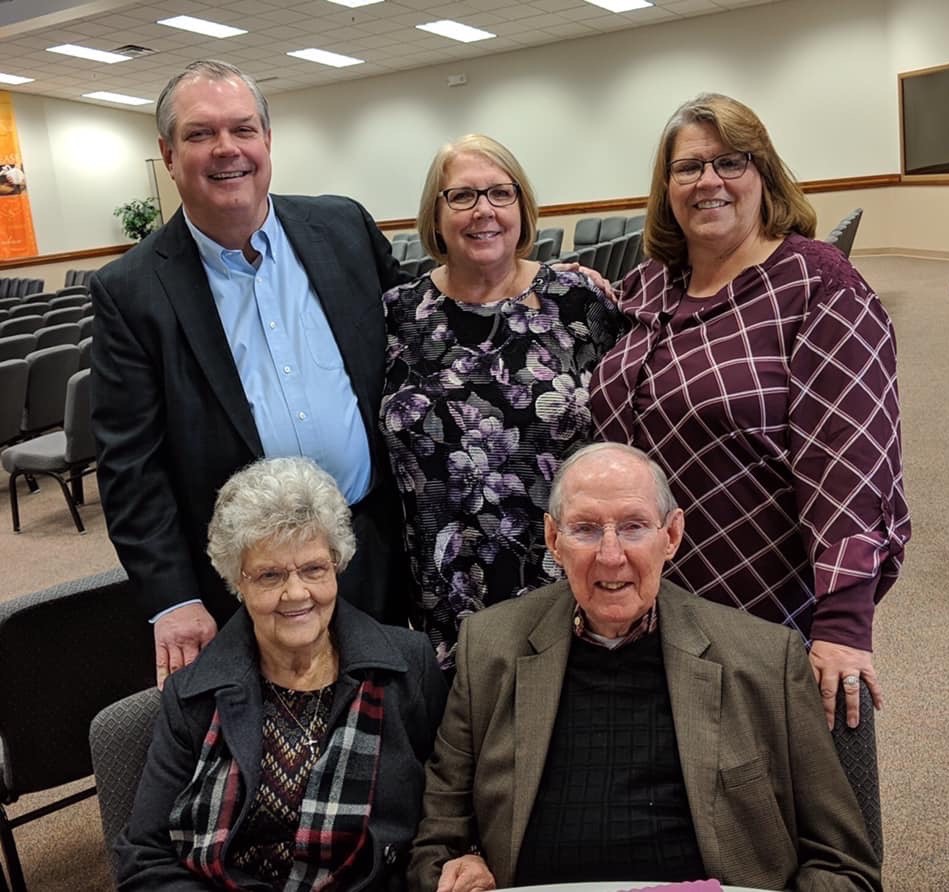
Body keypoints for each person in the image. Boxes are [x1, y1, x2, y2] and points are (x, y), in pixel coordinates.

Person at [407, 443, 881, 892]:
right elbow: (435, 844)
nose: (611, 556)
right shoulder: (489, 648)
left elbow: (844, 865)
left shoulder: (764, 659)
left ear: (671, 535)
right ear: (554, 539)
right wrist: (458, 863)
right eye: (586, 529)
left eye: (633, 527)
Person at [590, 93, 910, 736]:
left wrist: (844, 624)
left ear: (763, 173)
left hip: (762, 603)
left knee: (761, 806)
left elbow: (850, 460)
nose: (708, 181)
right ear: (667, 186)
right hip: (644, 598)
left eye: (729, 161)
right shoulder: (653, 282)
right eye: (687, 168)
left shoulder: (819, 286)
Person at [91, 60, 408, 689]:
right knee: (276, 747)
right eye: (201, 134)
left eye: (242, 128)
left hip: (371, 540)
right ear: (169, 153)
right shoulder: (131, 290)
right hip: (248, 576)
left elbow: (423, 328)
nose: (227, 149)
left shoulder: (343, 227)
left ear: (268, 140)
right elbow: (130, 465)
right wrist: (172, 596)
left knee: (399, 717)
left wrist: (531, 287)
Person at [117, 457, 448, 890]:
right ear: (238, 581)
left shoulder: (408, 665)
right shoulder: (194, 695)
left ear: (337, 564)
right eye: (270, 575)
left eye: (313, 569)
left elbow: (448, 812)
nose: (296, 593)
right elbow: (145, 856)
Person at [380, 134, 621, 673]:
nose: (483, 211)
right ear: (435, 215)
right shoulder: (395, 315)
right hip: (442, 589)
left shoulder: (579, 302)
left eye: (499, 193)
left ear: (522, 206)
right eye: (461, 196)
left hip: (564, 581)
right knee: (464, 745)